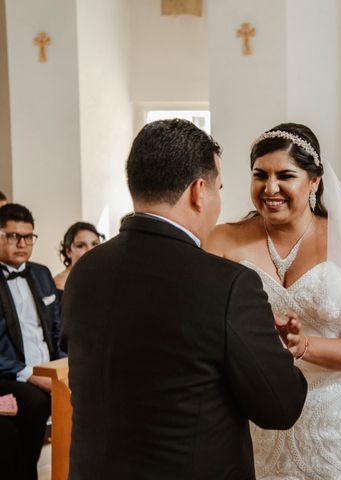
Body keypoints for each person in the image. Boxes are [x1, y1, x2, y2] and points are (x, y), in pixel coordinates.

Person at [61, 119, 308, 480]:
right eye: (219, 188)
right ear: (198, 191)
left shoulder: (84, 271)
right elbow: (281, 407)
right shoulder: (228, 284)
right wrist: (277, 349)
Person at [206, 123, 341, 479]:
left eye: (285, 175)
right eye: (260, 175)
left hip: (334, 428)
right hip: (258, 424)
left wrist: (303, 345)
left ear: (314, 181)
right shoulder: (224, 240)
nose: (270, 188)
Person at [0, 202, 63, 480]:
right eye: (13, 236)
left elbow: (57, 329)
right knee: (35, 402)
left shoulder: (41, 273)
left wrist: (63, 368)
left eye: (28, 237)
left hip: (47, 368)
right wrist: (29, 374)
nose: (22, 243)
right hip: (11, 372)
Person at [53, 222, 104, 294]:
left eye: (95, 244)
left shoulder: (102, 277)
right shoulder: (59, 284)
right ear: (68, 252)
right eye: (80, 245)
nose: (90, 250)